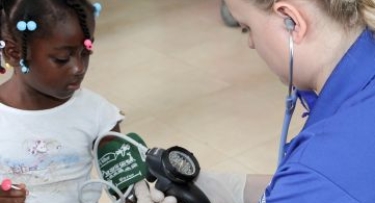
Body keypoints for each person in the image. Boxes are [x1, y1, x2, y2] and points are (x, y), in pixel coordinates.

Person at [132, 0, 375, 203]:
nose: (250, 43)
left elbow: (317, 182)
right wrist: (231, 188)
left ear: (291, 21)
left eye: (246, 27)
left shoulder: (318, 171)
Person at [0, 0, 125, 203]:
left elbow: (126, 185)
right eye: (62, 58)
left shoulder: (97, 114)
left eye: (85, 53)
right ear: (15, 54)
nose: (79, 68)